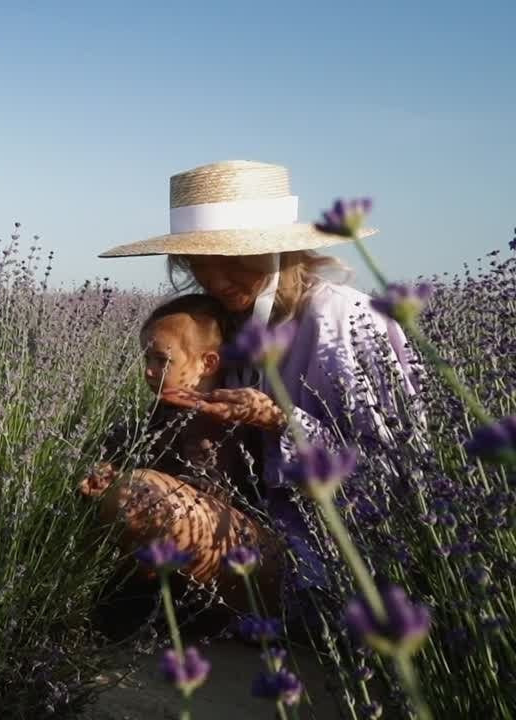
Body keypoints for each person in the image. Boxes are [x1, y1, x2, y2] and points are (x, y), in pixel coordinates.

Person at [89, 159, 422, 614]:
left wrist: (278, 420)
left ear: (279, 249)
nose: (217, 280)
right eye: (199, 265)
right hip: (248, 531)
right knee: (114, 492)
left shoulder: (342, 320)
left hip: (328, 558)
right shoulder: (221, 323)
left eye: (234, 260)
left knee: (137, 499)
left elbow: (400, 469)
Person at [80, 292, 284, 608]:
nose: (149, 370)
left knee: (136, 500)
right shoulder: (164, 407)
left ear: (207, 363)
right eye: (146, 358)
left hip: (222, 548)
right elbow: (119, 445)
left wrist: (124, 479)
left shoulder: (212, 421)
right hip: (179, 543)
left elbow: (210, 496)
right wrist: (104, 469)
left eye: (162, 360)